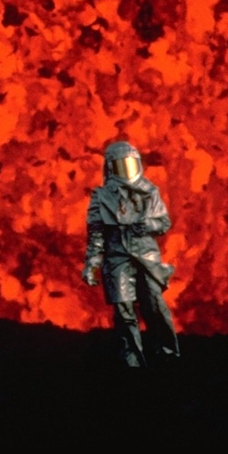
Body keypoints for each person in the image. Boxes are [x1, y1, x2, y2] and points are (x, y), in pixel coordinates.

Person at [82, 141, 180, 367]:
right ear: (110, 168)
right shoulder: (101, 197)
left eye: (131, 165)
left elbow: (164, 222)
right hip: (117, 258)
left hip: (146, 258)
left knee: (154, 306)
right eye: (121, 165)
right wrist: (91, 264)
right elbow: (96, 234)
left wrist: (148, 226)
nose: (127, 171)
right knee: (124, 310)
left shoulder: (150, 192)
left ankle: (167, 354)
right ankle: (132, 360)